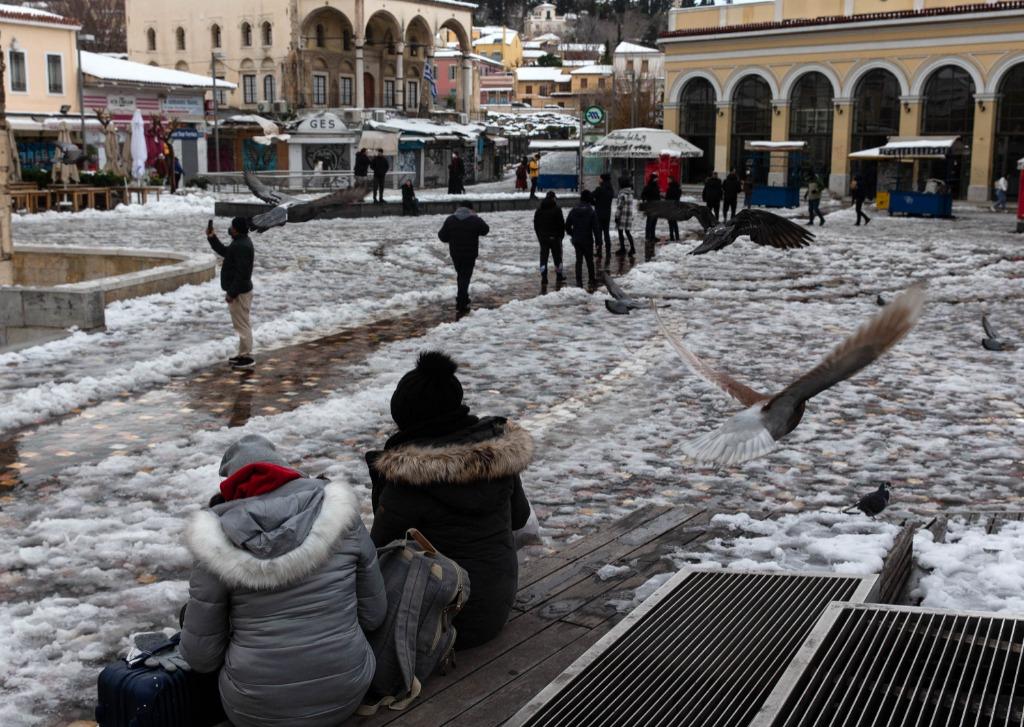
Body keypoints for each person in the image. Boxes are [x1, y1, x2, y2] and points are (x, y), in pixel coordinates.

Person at [179, 434, 387, 727]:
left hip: (256, 712)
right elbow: (374, 615)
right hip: (346, 691)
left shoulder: (214, 542)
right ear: (287, 472)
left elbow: (201, 657)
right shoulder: (341, 516)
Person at [367, 352, 532, 650]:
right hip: (496, 605)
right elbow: (519, 518)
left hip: (445, 622)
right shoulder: (492, 456)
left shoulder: (409, 479)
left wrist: (380, 486)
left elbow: (375, 554)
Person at [206, 217, 255, 370]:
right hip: (239, 291)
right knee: (241, 323)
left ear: (236, 229)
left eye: (231, 227)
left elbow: (243, 274)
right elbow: (226, 252)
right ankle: (242, 354)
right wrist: (212, 237)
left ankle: (246, 356)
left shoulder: (242, 245)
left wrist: (232, 293)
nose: (229, 228)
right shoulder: (240, 242)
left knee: (242, 324)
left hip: (239, 292)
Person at [438, 201, 489, 313]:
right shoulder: (475, 220)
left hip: (455, 253)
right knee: (464, 276)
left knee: (461, 275)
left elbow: (442, 236)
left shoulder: (450, 219)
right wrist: (476, 217)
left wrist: (452, 238)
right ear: (471, 209)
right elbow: (485, 230)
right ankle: (461, 302)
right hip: (470, 253)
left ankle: (463, 298)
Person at [565, 189, 600, 289]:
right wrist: (598, 242)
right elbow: (596, 228)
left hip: (577, 240)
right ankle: (591, 279)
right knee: (589, 261)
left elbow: (567, 225)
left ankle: (579, 281)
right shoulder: (591, 211)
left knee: (578, 261)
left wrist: (573, 234)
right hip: (588, 239)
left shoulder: (574, 210)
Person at [533, 190, 566, 286]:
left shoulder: (539, 210)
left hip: (543, 238)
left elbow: (536, 225)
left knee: (543, 258)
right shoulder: (557, 209)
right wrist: (561, 236)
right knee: (557, 258)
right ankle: (559, 275)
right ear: (553, 198)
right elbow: (561, 225)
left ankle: (544, 277)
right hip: (555, 238)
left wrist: (539, 236)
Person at [593, 173, 615, 260]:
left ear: (603, 179)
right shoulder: (610, 190)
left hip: (598, 214)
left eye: (600, 178)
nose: (599, 180)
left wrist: (594, 203)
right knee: (606, 233)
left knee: (598, 234)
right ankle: (608, 252)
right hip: (607, 214)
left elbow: (590, 196)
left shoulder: (599, 189)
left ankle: (599, 252)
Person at [615, 177, 636, 257]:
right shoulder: (630, 193)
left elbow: (619, 206)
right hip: (629, 215)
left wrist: (616, 216)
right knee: (627, 232)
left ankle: (623, 248)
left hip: (622, 215)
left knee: (620, 232)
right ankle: (632, 248)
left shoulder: (622, 194)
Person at [641, 173, 661, 246]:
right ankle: (648, 236)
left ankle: (652, 236)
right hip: (650, 206)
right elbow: (643, 195)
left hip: (656, 206)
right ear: (653, 179)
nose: (657, 179)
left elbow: (657, 196)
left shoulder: (656, 186)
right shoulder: (648, 187)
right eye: (656, 178)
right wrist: (646, 201)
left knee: (654, 222)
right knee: (649, 222)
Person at [665, 177, 683, 241]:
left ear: (671, 180)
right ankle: (677, 236)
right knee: (674, 222)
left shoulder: (670, 189)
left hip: (670, 207)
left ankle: (672, 237)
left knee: (670, 222)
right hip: (675, 207)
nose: (667, 181)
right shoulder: (677, 188)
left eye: (668, 180)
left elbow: (667, 199)